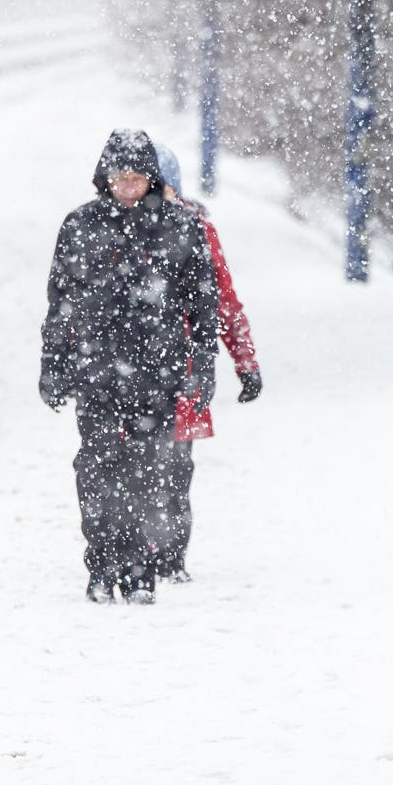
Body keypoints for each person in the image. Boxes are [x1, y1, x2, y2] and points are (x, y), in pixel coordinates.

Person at [40, 129, 221, 604]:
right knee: (97, 470)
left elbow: (204, 306)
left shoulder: (181, 228)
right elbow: (61, 303)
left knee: (148, 472)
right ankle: (102, 565)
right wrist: (54, 365)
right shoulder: (80, 226)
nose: (127, 187)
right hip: (96, 372)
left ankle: (140, 569)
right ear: (104, 178)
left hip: (158, 373)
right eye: (119, 177)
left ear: (151, 179)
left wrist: (203, 367)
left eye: (136, 178)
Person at [151, 144, 261, 583]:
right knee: (136, 466)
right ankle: (142, 551)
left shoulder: (194, 232)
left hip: (183, 368)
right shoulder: (111, 229)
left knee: (175, 468)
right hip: (135, 371)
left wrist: (244, 361)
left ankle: (169, 555)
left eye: (161, 187)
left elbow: (223, 303)